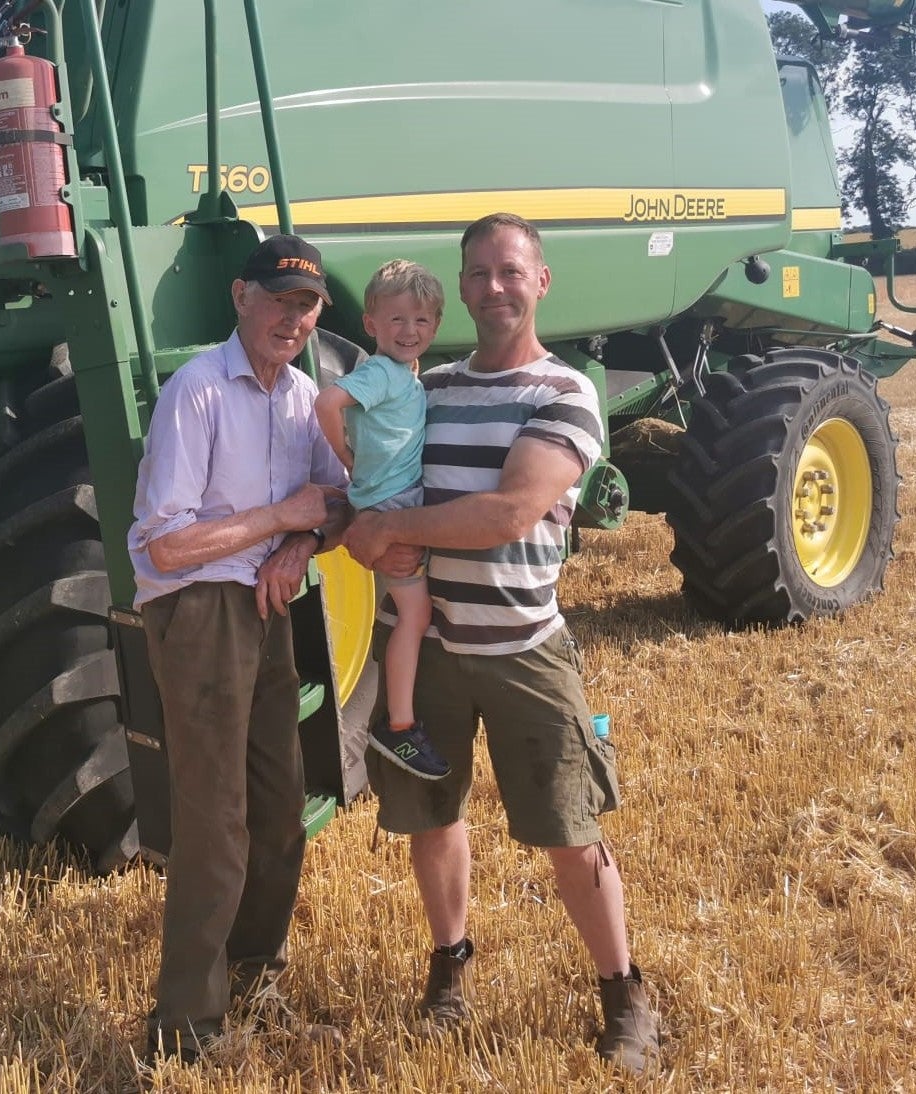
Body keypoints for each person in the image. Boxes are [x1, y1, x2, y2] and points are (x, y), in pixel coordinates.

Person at [342, 213, 661, 1074]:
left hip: (524, 649)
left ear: (541, 281)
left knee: (570, 829)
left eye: (510, 271)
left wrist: (388, 528)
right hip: (431, 648)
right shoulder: (430, 387)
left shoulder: (562, 394)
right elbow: (365, 466)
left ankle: (624, 993)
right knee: (431, 817)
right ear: (461, 285)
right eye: (478, 273)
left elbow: (508, 513)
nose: (494, 287)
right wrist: (348, 524)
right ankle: (449, 971)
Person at [127, 233, 348, 1067]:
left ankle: (256, 983)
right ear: (240, 297)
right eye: (280, 300)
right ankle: (187, 1029)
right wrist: (278, 523)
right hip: (198, 609)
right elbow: (165, 550)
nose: (293, 318)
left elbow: (339, 501)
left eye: (308, 305)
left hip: (265, 601)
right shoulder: (196, 391)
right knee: (215, 819)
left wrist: (299, 547)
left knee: (279, 807)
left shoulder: (303, 398)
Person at [313, 259, 450, 782]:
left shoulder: (405, 376)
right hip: (391, 505)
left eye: (420, 321)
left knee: (411, 611)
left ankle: (404, 709)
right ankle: (399, 725)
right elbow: (328, 401)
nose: (409, 331)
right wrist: (347, 455)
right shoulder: (382, 372)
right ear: (370, 324)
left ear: (435, 326)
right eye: (396, 320)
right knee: (415, 615)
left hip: (396, 497)